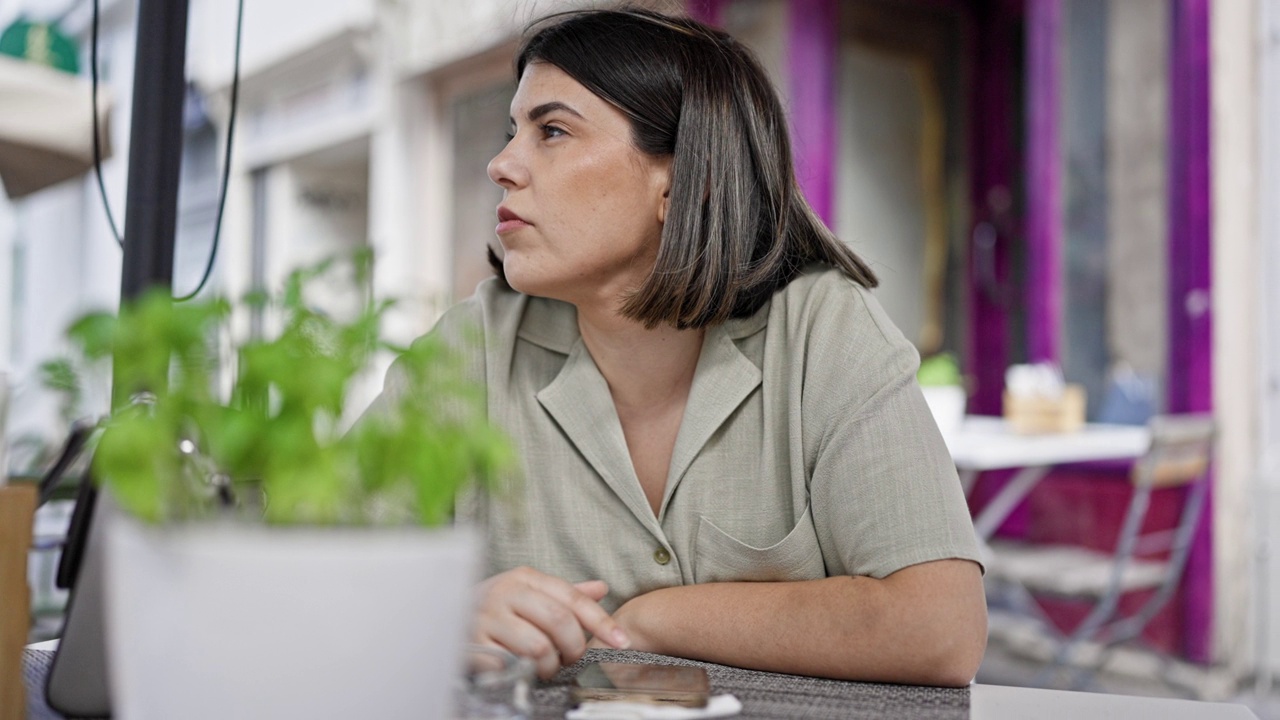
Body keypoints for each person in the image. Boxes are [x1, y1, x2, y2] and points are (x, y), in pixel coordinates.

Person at [377, 7, 986, 686]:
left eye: (551, 131)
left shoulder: (822, 331)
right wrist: (449, 614)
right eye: (511, 132)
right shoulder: (472, 350)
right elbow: (323, 582)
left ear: (674, 179)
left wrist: (653, 621)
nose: (501, 164)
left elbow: (939, 628)